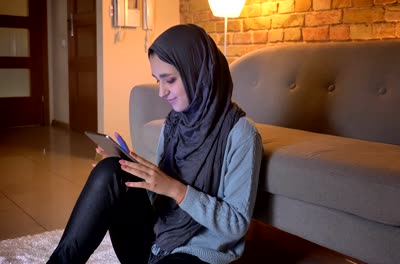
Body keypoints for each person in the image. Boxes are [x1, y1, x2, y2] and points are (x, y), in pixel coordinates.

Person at [48, 24, 263, 264]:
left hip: (195, 255)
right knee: (112, 169)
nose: (161, 92)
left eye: (169, 80)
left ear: (197, 73)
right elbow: (159, 201)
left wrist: (174, 189)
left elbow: (236, 224)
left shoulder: (242, 134)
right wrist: (137, 172)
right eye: (157, 80)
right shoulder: (174, 124)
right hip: (155, 244)